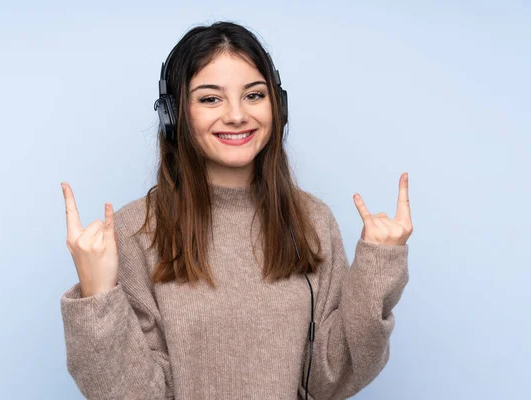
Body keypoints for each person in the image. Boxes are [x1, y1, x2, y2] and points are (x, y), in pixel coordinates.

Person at [60, 21, 413, 400]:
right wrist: (98, 295)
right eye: (210, 98)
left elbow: (330, 380)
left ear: (278, 106)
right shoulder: (134, 232)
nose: (237, 115)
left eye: (254, 95)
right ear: (174, 115)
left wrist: (379, 268)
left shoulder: (312, 221)